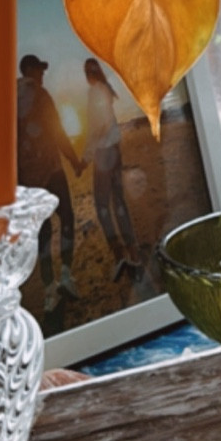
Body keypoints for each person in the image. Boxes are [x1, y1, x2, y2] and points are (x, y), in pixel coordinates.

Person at [16, 54, 83, 314]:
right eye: (40, 70)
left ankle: (49, 291)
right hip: (53, 172)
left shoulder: (9, 99)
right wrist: (75, 162)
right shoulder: (41, 95)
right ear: (30, 70)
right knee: (66, 217)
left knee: (42, 234)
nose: (43, 75)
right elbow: (57, 132)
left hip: (29, 180)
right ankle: (66, 275)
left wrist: (18, 180)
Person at [83, 57, 141, 281]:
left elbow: (101, 127)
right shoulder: (106, 90)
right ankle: (134, 254)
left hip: (104, 152)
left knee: (102, 206)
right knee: (119, 201)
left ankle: (120, 256)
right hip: (115, 149)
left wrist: (87, 155)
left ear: (88, 74)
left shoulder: (95, 92)